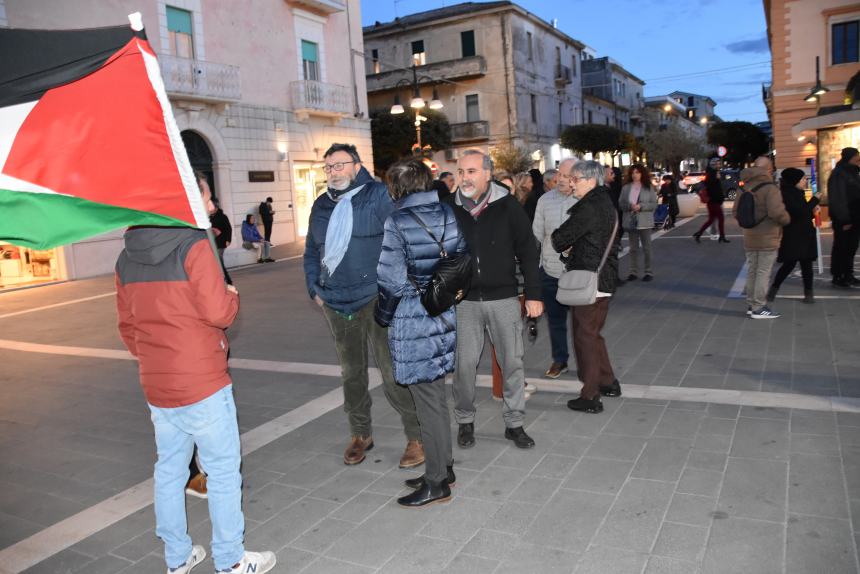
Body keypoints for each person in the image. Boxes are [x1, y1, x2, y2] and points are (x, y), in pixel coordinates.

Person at [115, 180, 276, 574]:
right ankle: (230, 559)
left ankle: (177, 557)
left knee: (169, 469)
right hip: (202, 379)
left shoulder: (125, 258)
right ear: (184, 197)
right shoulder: (194, 246)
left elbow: (127, 326)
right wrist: (232, 293)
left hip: (157, 381)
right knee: (222, 471)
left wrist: (154, 359)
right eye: (205, 195)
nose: (212, 202)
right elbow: (219, 313)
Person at [303, 143, 423, 467]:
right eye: (328, 167)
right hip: (335, 300)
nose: (333, 172)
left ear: (356, 166)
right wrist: (314, 286)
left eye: (339, 165)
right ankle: (360, 433)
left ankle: (416, 435)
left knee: (390, 369)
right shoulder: (321, 206)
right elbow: (312, 251)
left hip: (375, 296)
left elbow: (403, 237)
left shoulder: (377, 196)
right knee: (351, 372)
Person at [375, 159, 467, 508]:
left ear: (396, 189)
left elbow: (391, 278)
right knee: (435, 396)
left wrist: (392, 307)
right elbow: (459, 257)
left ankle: (436, 483)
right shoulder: (446, 212)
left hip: (414, 318)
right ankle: (443, 467)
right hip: (442, 311)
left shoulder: (397, 220)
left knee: (426, 401)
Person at [444, 149, 543, 449]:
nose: (465, 178)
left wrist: (534, 296)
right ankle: (465, 420)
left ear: (488, 173)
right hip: (464, 302)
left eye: (471, 171)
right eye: (461, 172)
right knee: (463, 366)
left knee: (512, 362)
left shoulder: (507, 205)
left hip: (504, 298)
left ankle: (514, 423)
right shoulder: (448, 207)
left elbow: (528, 250)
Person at [551, 160, 622, 414]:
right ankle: (608, 381)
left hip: (589, 280)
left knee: (585, 337)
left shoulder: (589, 206)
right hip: (603, 278)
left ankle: (590, 395)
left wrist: (566, 243)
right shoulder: (607, 203)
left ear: (591, 181)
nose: (571, 183)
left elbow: (559, 239)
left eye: (575, 179)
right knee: (594, 333)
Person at [533, 157, 578, 379]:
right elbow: (536, 235)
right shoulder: (544, 200)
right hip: (550, 270)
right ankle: (560, 360)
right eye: (559, 174)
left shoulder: (585, 200)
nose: (560, 179)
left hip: (578, 273)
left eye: (566, 175)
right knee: (555, 320)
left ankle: (588, 364)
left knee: (582, 323)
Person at [735, 155, 790, 319]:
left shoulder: (743, 187)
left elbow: (735, 212)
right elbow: (776, 212)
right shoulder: (770, 188)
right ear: (768, 169)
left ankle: (752, 304)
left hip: (749, 236)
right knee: (763, 272)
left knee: (752, 270)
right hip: (768, 236)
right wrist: (786, 219)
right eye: (772, 168)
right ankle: (759, 307)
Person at [767, 168, 818, 304]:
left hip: (805, 233)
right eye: (802, 179)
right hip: (794, 234)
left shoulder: (798, 193)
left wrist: (813, 212)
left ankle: (809, 293)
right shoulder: (786, 194)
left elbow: (805, 212)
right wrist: (814, 200)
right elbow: (799, 211)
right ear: (795, 181)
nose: (805, 181)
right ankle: (774, 288)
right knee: (789, 263)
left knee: (807, 265)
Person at [826, 147, 860, 288]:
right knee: (842, 247)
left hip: (854, 217)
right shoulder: (840, 173)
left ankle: (848, 274)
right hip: (845, 219)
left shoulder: (852, 172)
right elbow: (837, 198)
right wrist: (844, 219)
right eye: (857, 157)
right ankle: (839, 276)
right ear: (851, 157)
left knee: (851, 248)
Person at [619, 164, 658, 282]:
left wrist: (641, 206)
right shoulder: (626, 188)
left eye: (637, 172)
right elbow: (621, 203)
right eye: (633, 172)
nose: (635, 175)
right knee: (633, 248)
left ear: (642, 174)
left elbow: (654, 204)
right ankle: (633, 272)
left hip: (644, 221)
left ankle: (648, 271)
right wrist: (630, 206)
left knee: (647, 248)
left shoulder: (648, 187)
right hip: (631, 221)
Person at [693, 157, 730, 243]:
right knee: (720, 219)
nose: (719, 165)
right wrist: (716, 179)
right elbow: (713, 189)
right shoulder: (712, 174)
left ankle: (699, 234)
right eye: (717, 164)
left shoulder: (712, 173)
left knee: (711, 220)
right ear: (713, 165)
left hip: (712, 201)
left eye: (719, 163)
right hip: (714, 201)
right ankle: (722, 237)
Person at [209, 193, 233, 285]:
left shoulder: (223, 217)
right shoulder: (208, 217)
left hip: (221, 241)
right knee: (216, 261)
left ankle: (226, 280)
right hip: (213, 242)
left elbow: (228, 228)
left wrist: (228, 240)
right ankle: (223, 279)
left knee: (218, 260)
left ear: (216, 208)